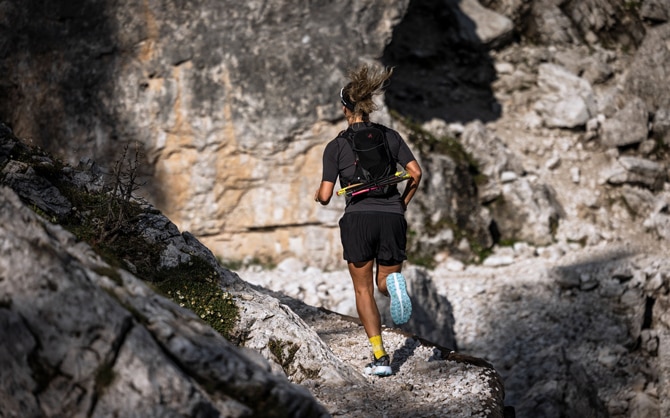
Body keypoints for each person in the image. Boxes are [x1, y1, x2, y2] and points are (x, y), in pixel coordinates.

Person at [314, 64, 422, 376]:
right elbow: (415, 173)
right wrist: (401, 204)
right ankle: (395, 288)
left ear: (345, 108)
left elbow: (325, 194)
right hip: (391, 216)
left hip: (358, 219)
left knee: (363, 290)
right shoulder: (390, 136)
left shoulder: (336, 145)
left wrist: (318, 196)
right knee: (384, 281)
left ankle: (380, 357)